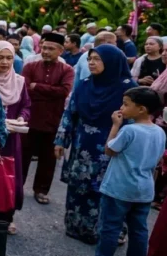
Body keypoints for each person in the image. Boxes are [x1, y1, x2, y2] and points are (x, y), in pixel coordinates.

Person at [80, 87, 165, 256]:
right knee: (139, 229)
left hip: (119, 187)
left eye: (126, 104)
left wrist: (115, 125)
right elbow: (157, 161)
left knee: (110, 227)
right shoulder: (160, 132)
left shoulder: (129, 130)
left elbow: (110, 150)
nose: (121, 107)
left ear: (141, 109)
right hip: (144, 189)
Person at [56, 45, 136, 244]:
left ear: (111, 63)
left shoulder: (127, 89)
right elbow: (70, 112)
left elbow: (134, 120)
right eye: (90, 58)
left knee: (105, 189)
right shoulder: (84, 84)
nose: (91, 63)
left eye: (97, 59)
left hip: (111, 145)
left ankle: (106, 233)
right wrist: (60, 139)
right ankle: (77, 226)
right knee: (79, 185)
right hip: (82, 143)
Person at [20, 33, 74, 205]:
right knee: (23, 156)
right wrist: (50, 90)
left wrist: (39, 87)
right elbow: (26, 88)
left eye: (51, 48)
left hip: (53, 120)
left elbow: (64, 91)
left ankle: (41, 190)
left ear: (60, 51)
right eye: (44, 48)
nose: (46, 51)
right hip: (30, 118)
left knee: (48, 158)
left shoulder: (67, 70)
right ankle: (17, 186)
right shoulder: (30, 67)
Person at [0, 41, 30, 233]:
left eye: (9, 58)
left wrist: (21, 117)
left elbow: (26, 105)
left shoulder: (19, 81)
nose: (5, 62)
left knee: (9, 176)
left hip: (11, 140)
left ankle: (7, 216)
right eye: (0, 57)